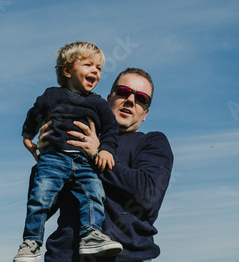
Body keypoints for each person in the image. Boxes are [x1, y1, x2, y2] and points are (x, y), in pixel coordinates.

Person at [43, 67, 174, 262]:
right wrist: (45, 159)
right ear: (107, 99)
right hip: (63, 257)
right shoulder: (78, 140)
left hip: (121, 256)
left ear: (145, 113)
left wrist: (97, 154)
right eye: (123, 92)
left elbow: (148, 194)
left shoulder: (152, 142)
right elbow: (44, 206)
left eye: (141, 99)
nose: (130, 100)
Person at [14, 42, 123, 262]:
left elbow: (111, 129)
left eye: (99, 68)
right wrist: (28, 137)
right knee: (40, 196)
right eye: (88, 65)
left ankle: (91, 235)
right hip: (53, 157)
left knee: (93, 193)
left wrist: (106, 149)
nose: (95, 71)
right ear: (67, 70)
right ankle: (31, 242)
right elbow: (34, 115)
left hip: (84, 161)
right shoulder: (51, 95)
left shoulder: (99, 103)